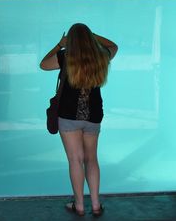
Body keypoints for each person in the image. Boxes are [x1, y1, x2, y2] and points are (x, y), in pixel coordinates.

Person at [40, 23, 118, 217]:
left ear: (71, 41)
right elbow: (114, 46)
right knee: (91, 159)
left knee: (76, 160)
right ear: (90, 39)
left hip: (68, 116)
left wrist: (60, 44)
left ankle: (80, 206)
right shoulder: (100, 57)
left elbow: (43, 64)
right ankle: (96, 205)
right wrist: (93, 36)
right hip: (93, 116)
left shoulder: (65, 56)